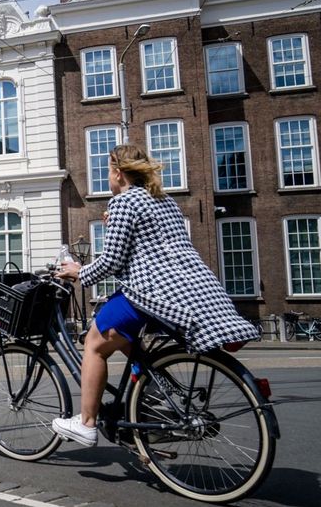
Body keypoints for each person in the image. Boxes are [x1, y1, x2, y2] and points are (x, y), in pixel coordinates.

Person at [51, 143, 257, 447]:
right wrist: (115, 225)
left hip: (152, 294)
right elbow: (156, 247)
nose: (108, 177)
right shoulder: (165, 200)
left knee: (95, 343)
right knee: (123, 334)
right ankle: (154, 382)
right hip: (191, 292)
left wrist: (78, 272)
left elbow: (111, 262)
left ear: (119, 174)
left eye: (108, 171)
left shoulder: (123, 202)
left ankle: (86, 423)